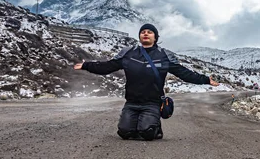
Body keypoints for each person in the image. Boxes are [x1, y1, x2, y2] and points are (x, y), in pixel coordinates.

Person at [74, 24, 219, 141]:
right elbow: (107, 67)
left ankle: (155, 127)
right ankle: (138, 122)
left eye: (149, 32)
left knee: (147, 133)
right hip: (131, 102)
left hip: (152, 103)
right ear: (139, 36)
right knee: (124, 133)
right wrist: (87, 65)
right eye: (143, 31)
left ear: (155, 37)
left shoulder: (164, 56)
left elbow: (184, 74)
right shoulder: (128, 53)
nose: (145, 33)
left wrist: (205, 80)